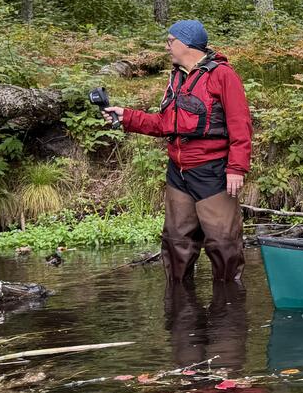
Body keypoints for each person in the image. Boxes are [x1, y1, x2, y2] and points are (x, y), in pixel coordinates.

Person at [104, 19, 252, 284]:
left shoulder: (223, 75)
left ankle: (229, 312)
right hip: (178, 173)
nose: (167, 47)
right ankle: (180, 310)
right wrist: (126, 116)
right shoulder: (177, 77)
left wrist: (236, 168)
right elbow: (163, 124)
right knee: (175, 244)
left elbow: (240, 124)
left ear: (187, 43)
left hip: (213, 172)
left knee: (223, 245)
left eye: (171, 41)